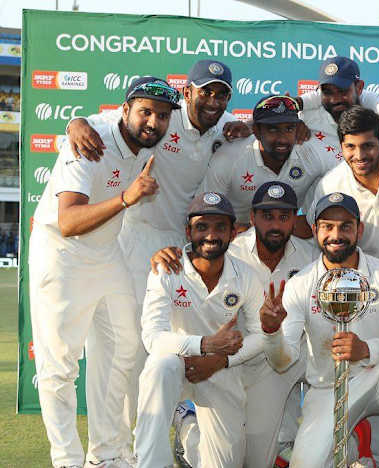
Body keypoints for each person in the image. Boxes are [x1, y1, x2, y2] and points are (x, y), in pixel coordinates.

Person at [66, 60, 252, 455]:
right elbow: (98, 124)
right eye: (206, 92)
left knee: (181, 345)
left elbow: (247, 124)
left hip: (186, 246)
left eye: (221, 94)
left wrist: (247, 127)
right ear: (188, 93)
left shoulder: (224, 123)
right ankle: (123, 450)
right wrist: (74, 121)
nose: (213, 100)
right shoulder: (162, 116)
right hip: (136, 240)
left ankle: (182, 426)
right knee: (133, 351)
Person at [28, 76, 178, 468]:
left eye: (163, 116)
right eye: (146, 111)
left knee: (124, 347)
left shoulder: (134, 135)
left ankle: (108, 454)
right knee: (59, 365)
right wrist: (127, 198)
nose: (154, 122)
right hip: (62, 253)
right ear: (124, 109)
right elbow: (68, 221)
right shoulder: (90, 141)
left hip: (105, 253)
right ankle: (66, 460)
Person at [149, 182, 319, 467]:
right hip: (234, 360)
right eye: (267, 216)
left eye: (283, 216)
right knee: (234, 461)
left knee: (257, 462)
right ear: (252, 218)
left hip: (280, 359)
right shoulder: (231, 248)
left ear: (294, 218)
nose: (275, 225)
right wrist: (167, 254)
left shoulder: (310, 257)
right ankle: (191, 436)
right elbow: (194, 258)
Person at [260, 192, 379, 468]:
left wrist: (366, 349)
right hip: (327, 388)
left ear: (359, 230)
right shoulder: (301, 284)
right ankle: (353, 446)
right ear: (315, 230)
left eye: (345, 226)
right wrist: (271, 332)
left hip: (377, 378)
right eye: (327, 226)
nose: (336, 235)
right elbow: (281, 361)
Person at [134, 192, 269, 468]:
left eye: (220, 227)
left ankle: (188, 429)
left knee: (224, 464)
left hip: (220, 369)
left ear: (233, 232)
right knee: (160, 366)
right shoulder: (166, 270)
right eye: (202, 227)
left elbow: (261, 335)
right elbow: (152, 338)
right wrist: (205, 344)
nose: (211, 235)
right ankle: (150, 463)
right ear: (188, 231)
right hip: (176, 364)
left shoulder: (246, 276)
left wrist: (219, 360)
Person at [306, 106, 379, 265]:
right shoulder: (329, 186)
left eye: (367, 146)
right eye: (350, 146)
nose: (359, 156)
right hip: (361, 283)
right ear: (341, 146)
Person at [201, 95, 341, 227]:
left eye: (289, 129)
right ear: (256, 131)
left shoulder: (310, 154)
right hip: (235, 238)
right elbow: (206, 212)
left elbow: (347, 173)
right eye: (273, 130)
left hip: (287, 236)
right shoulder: (229, 157)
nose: (282, 139)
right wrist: (243, 233)